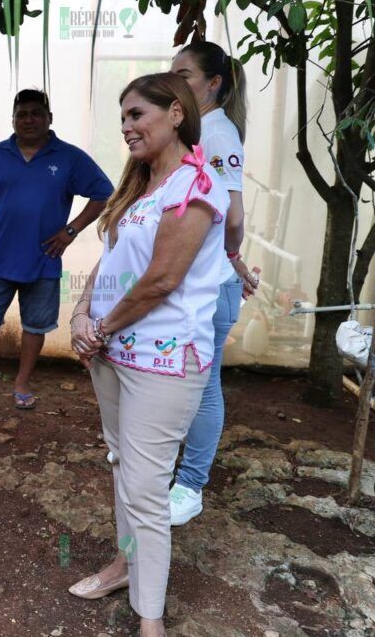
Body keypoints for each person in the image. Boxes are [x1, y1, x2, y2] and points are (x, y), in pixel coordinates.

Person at [68, 72, 228, 636]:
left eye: (137, 115)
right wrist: (82, 315)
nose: (128, 128)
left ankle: (150, 619)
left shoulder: (198, 185)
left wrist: (102, 326)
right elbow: (113, 264)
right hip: (114, 354)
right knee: (122, 469)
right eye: (123, 120)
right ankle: (125, 564)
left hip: (164, 361)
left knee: (145, 487)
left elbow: (161, 279)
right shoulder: (137, 187)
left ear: (176, 114)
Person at [0, 89, 113, 410]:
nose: (29, 120)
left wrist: (71, 230)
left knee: (35, 326)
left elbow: (103, 193)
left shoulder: (68, 157)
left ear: (49, 118)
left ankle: (22, 383)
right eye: (22, 114)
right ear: (13, 119)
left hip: (44, 259)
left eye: (36, 113)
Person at [168, 41, 257, 525]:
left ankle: (191, 485)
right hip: (203, 280)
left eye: (185, 73)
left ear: (214, 82)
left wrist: (230, 257)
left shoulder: (218, 134)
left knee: (203, 386)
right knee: (186, 380)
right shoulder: (199, 131)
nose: (174, 80)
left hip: (210, 287)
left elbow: (234, 217)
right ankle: (176, 472)